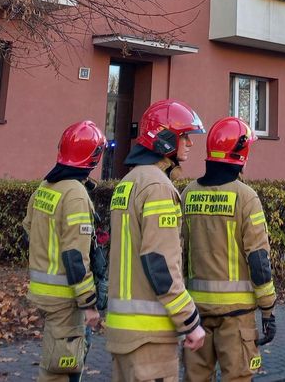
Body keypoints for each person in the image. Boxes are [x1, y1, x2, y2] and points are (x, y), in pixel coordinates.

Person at [104, 99, 207, 382]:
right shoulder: (159, 187)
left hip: (123, 331)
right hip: (150, 336)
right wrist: (189, 320)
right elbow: (159, 262)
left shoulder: (128, 182)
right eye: (184, 136)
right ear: (165, 139)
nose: (190, 143)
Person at [181, 117, 277, 382]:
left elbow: (180, 253)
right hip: (237, 317)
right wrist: (268, 310)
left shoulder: (188, 194)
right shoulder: (246, 197)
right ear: (240, 154)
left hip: (196, 313)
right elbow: (258, 260)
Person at [24, 120, 106, 382]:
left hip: (44, 290)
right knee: (62, 370)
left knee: (57, 362)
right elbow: (75, 256)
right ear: (93, 157)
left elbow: (29, 228)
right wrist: (89, 304)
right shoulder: (75, 194)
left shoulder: (46, 187)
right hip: (65, 297)